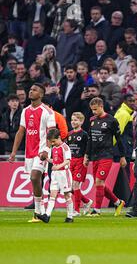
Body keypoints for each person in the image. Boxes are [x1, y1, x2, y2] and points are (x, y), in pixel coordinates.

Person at [9, 83, 56, 223]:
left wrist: (47, 150)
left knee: (35, 177)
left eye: (34, 90)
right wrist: (13, 152)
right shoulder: (25, 111)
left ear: (41, 95)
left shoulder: (47, 112)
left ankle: (37, 211)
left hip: (41, 151)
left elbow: (52, 132)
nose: (31, 91)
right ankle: (40, 210)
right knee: (34, 179)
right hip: (29, 152)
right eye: (30, 89)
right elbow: (21, 131)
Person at [84, 97, 127, 217]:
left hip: (107, 155)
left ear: (101, 106)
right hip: (95, 156)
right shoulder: (92, 120)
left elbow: (119, 139)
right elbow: (90, 140)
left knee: (99, 181)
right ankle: (118, 202)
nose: (94, 112)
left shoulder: (111, 120)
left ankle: (96, 210)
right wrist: (87, 155)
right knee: (99, 184)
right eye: (92, 110)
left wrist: (122, 156)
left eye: (95, 109)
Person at [38, 129, 74, 223]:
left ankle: (70, 216)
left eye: (53, 141)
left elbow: (68, 161)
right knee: (52, 195)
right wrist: (46, 159)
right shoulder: (53, 148)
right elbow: (55, 160)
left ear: (59, 137)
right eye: (51, 142)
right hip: (55, 174)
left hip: (63, 174)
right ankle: (47, 215)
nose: (53, 143)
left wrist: (58, 166)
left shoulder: (65, 147)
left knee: (67, 195)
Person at [67, 112, 92, 216]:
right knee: (71, 187)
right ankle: (86, 201)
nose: (73, 122)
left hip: (80, 161)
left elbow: (89, 147)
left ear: (81, 122)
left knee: (76, 185)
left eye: (76, 120)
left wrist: (86, 158)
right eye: (72, 120)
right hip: (71, 161)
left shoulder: (84, 134)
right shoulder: (69, 134)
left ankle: (76, 210)